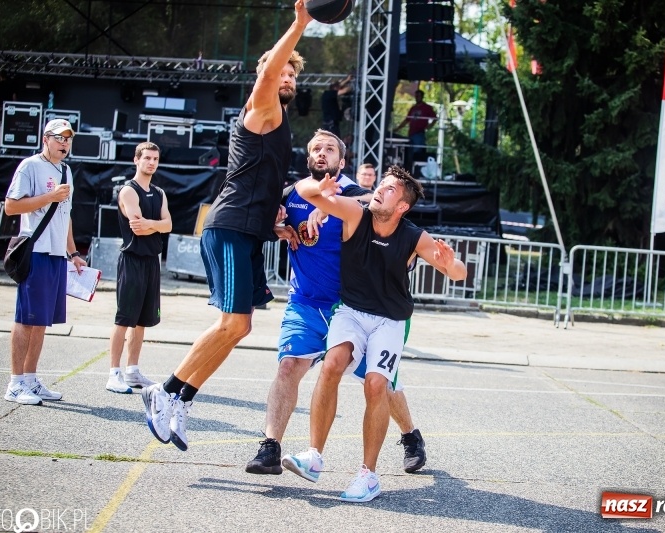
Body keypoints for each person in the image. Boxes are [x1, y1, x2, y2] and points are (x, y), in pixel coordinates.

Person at [140, 0, 313, 452]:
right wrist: (299, 25)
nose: (288, 79)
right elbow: (269, 73)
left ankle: (183, 399)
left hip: (249, 231)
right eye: (284, 73)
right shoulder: (261, 107)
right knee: (231, 322)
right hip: (230, 227)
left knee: (240, 328)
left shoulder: (280, 121)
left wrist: (278, 221)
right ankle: (164, 389)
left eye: (295, 75)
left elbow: (263, 183)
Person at [246, 130, 427, 476]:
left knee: (382, 384)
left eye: (330, 149)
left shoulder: (357, 195)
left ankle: (410, 435)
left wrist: (328, 208)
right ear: (308, 156)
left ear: (342, 162)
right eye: (316, 148)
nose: (322, 153)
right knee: (288, 367)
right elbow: (259, 217)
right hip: (306, 303)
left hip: (354, 308)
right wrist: (274, 226)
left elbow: (387, 214)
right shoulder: (292, 194)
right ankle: (270, 447)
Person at [283, 165, 466, 502]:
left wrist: (450, 263)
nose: (380, 189)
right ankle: (313, 456)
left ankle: (368, 475)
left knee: (376, 384)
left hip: (389, 320)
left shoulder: (413, 236)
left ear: (402, 207)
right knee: (332, 364)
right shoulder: (356, 213)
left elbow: (458, 273)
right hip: (351, 311)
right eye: (381, 183)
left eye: (390, 189)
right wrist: (318, 186)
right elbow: (308, 194)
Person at [3, 118, 86, 405]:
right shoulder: (30, 166)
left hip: (55, 255)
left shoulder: (66, 170)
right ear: (45, 139)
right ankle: (15, 383)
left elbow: (66, 216)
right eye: (59, 138)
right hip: (35, 251)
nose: (65, 143)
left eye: (68, 139)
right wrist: (49, 196)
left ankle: (30, 378)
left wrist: (73, 253)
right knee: (26, 319)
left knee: (42, 321)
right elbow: (11, 206)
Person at [106, 142, 172, 394]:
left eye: (155, 158)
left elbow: (169, 225)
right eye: (147, 158)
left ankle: (132, 371)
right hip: (132, 259)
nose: (151, 162)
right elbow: (138, 226)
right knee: (124, 319)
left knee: (142, 321)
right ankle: (114, 373)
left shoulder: (159, 192)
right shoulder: (128, 191)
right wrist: (159, 224)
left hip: (151, 261)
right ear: (137, 160)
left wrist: (153, 224)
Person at [393, 89, 437, 160]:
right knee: (410, 152)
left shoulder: (426, 107)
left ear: (422, 97)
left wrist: (430, 126)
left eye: (419, 96)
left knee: (416, 152)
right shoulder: (413, 108)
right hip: (411, 133)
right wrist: (398, 128)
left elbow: (434, 118)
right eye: (416, 96)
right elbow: (407, 120)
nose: (417, 97)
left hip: (419, 133)